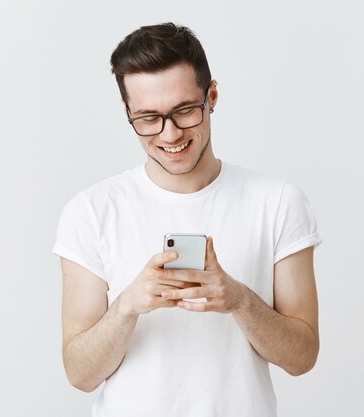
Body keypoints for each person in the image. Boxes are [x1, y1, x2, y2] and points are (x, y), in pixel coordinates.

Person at [52, 23, 321, 417]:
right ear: (127, 112)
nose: (170, 133)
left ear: (211, 96)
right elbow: (80, 373)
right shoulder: (90, 211)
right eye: (148, 117)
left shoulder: (278, 202)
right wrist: (127, 305)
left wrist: (240, 300)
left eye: (184, 111)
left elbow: (302, 357)